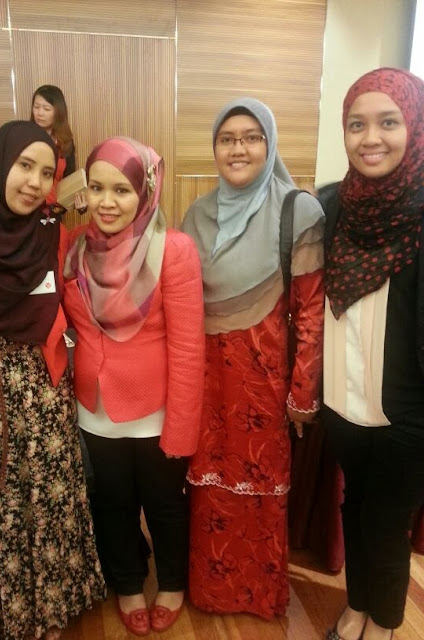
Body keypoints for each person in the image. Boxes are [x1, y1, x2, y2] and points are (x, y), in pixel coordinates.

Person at [0, 121, 105, 640]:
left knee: (46, 504)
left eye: (46, 172)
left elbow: (89, 284)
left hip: (40, 392)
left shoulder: (51, 235)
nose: (35, 182)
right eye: (24, 166)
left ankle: (49, 608)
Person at [181, 97, 325, 619]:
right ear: (214, 148)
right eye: (227, 139)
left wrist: (302, 394)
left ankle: (260, 595)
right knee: (208, 487)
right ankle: (210, 590)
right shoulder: (196, 214)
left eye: (250, 137)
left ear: (269, 143)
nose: (237, 149)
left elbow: (310, 312)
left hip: (263, 381)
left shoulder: (299, 211)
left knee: (262, 485)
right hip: (205, 378)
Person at [63, 136, 205, 636]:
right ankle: (126, 584)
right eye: (96, 187)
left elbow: (188, 347)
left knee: (164, 505)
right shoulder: (75, 247)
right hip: (94, 407)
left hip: (157, 410)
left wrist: (182, 428)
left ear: (145, 191)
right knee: (112, 504)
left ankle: (171, 583)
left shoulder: (174, 249)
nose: (107, 202)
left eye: (121, 190)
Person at [321, 67, 424, 640]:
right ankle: (357, 605)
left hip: (407, 412)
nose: (371, 138)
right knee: (354, 507)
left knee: (387, 523)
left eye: (388, 122)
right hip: (343, 399)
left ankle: (383, 623)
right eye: (356, 125)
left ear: (415, 127)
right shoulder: (333, 205)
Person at [31, 85, 76, 205]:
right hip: (29, 205)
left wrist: (80, 204)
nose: (39, 113)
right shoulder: (25, 137)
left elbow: (69, 180)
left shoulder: (66, 142)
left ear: (58, 112)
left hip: (54, 209)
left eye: (46, 109)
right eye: (36, 107)